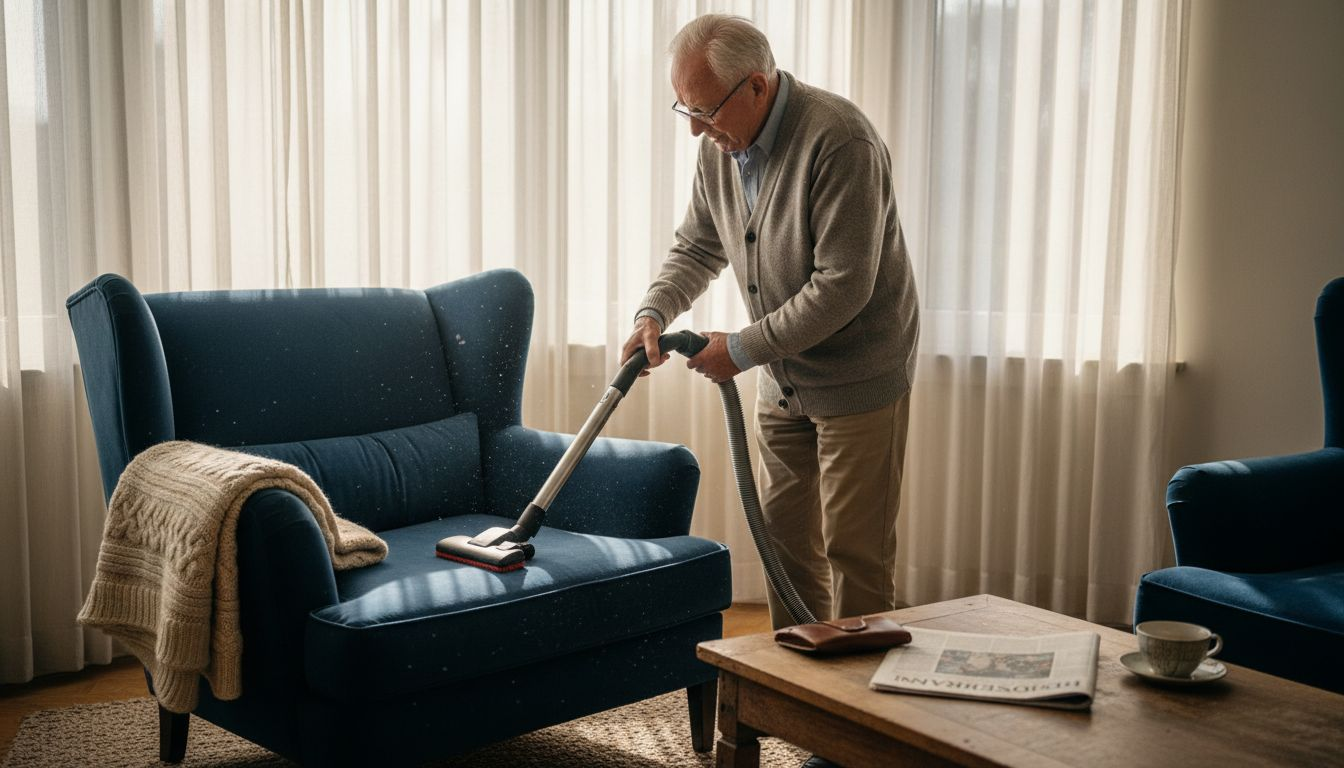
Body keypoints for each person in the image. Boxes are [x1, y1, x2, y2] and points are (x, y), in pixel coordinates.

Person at [621, 14, 920, 641]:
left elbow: (843, 286)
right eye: (686, 110)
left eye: (706, 110)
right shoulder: (719, 146)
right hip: (781, 375)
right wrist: (654, 311)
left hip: (858, 375)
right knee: (783, 548)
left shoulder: (840, 141)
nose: (696, 129)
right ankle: (797, 683)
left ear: (757, 86)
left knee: (855, 552)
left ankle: (856, 699)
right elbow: (697, 246)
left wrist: (741, 348)